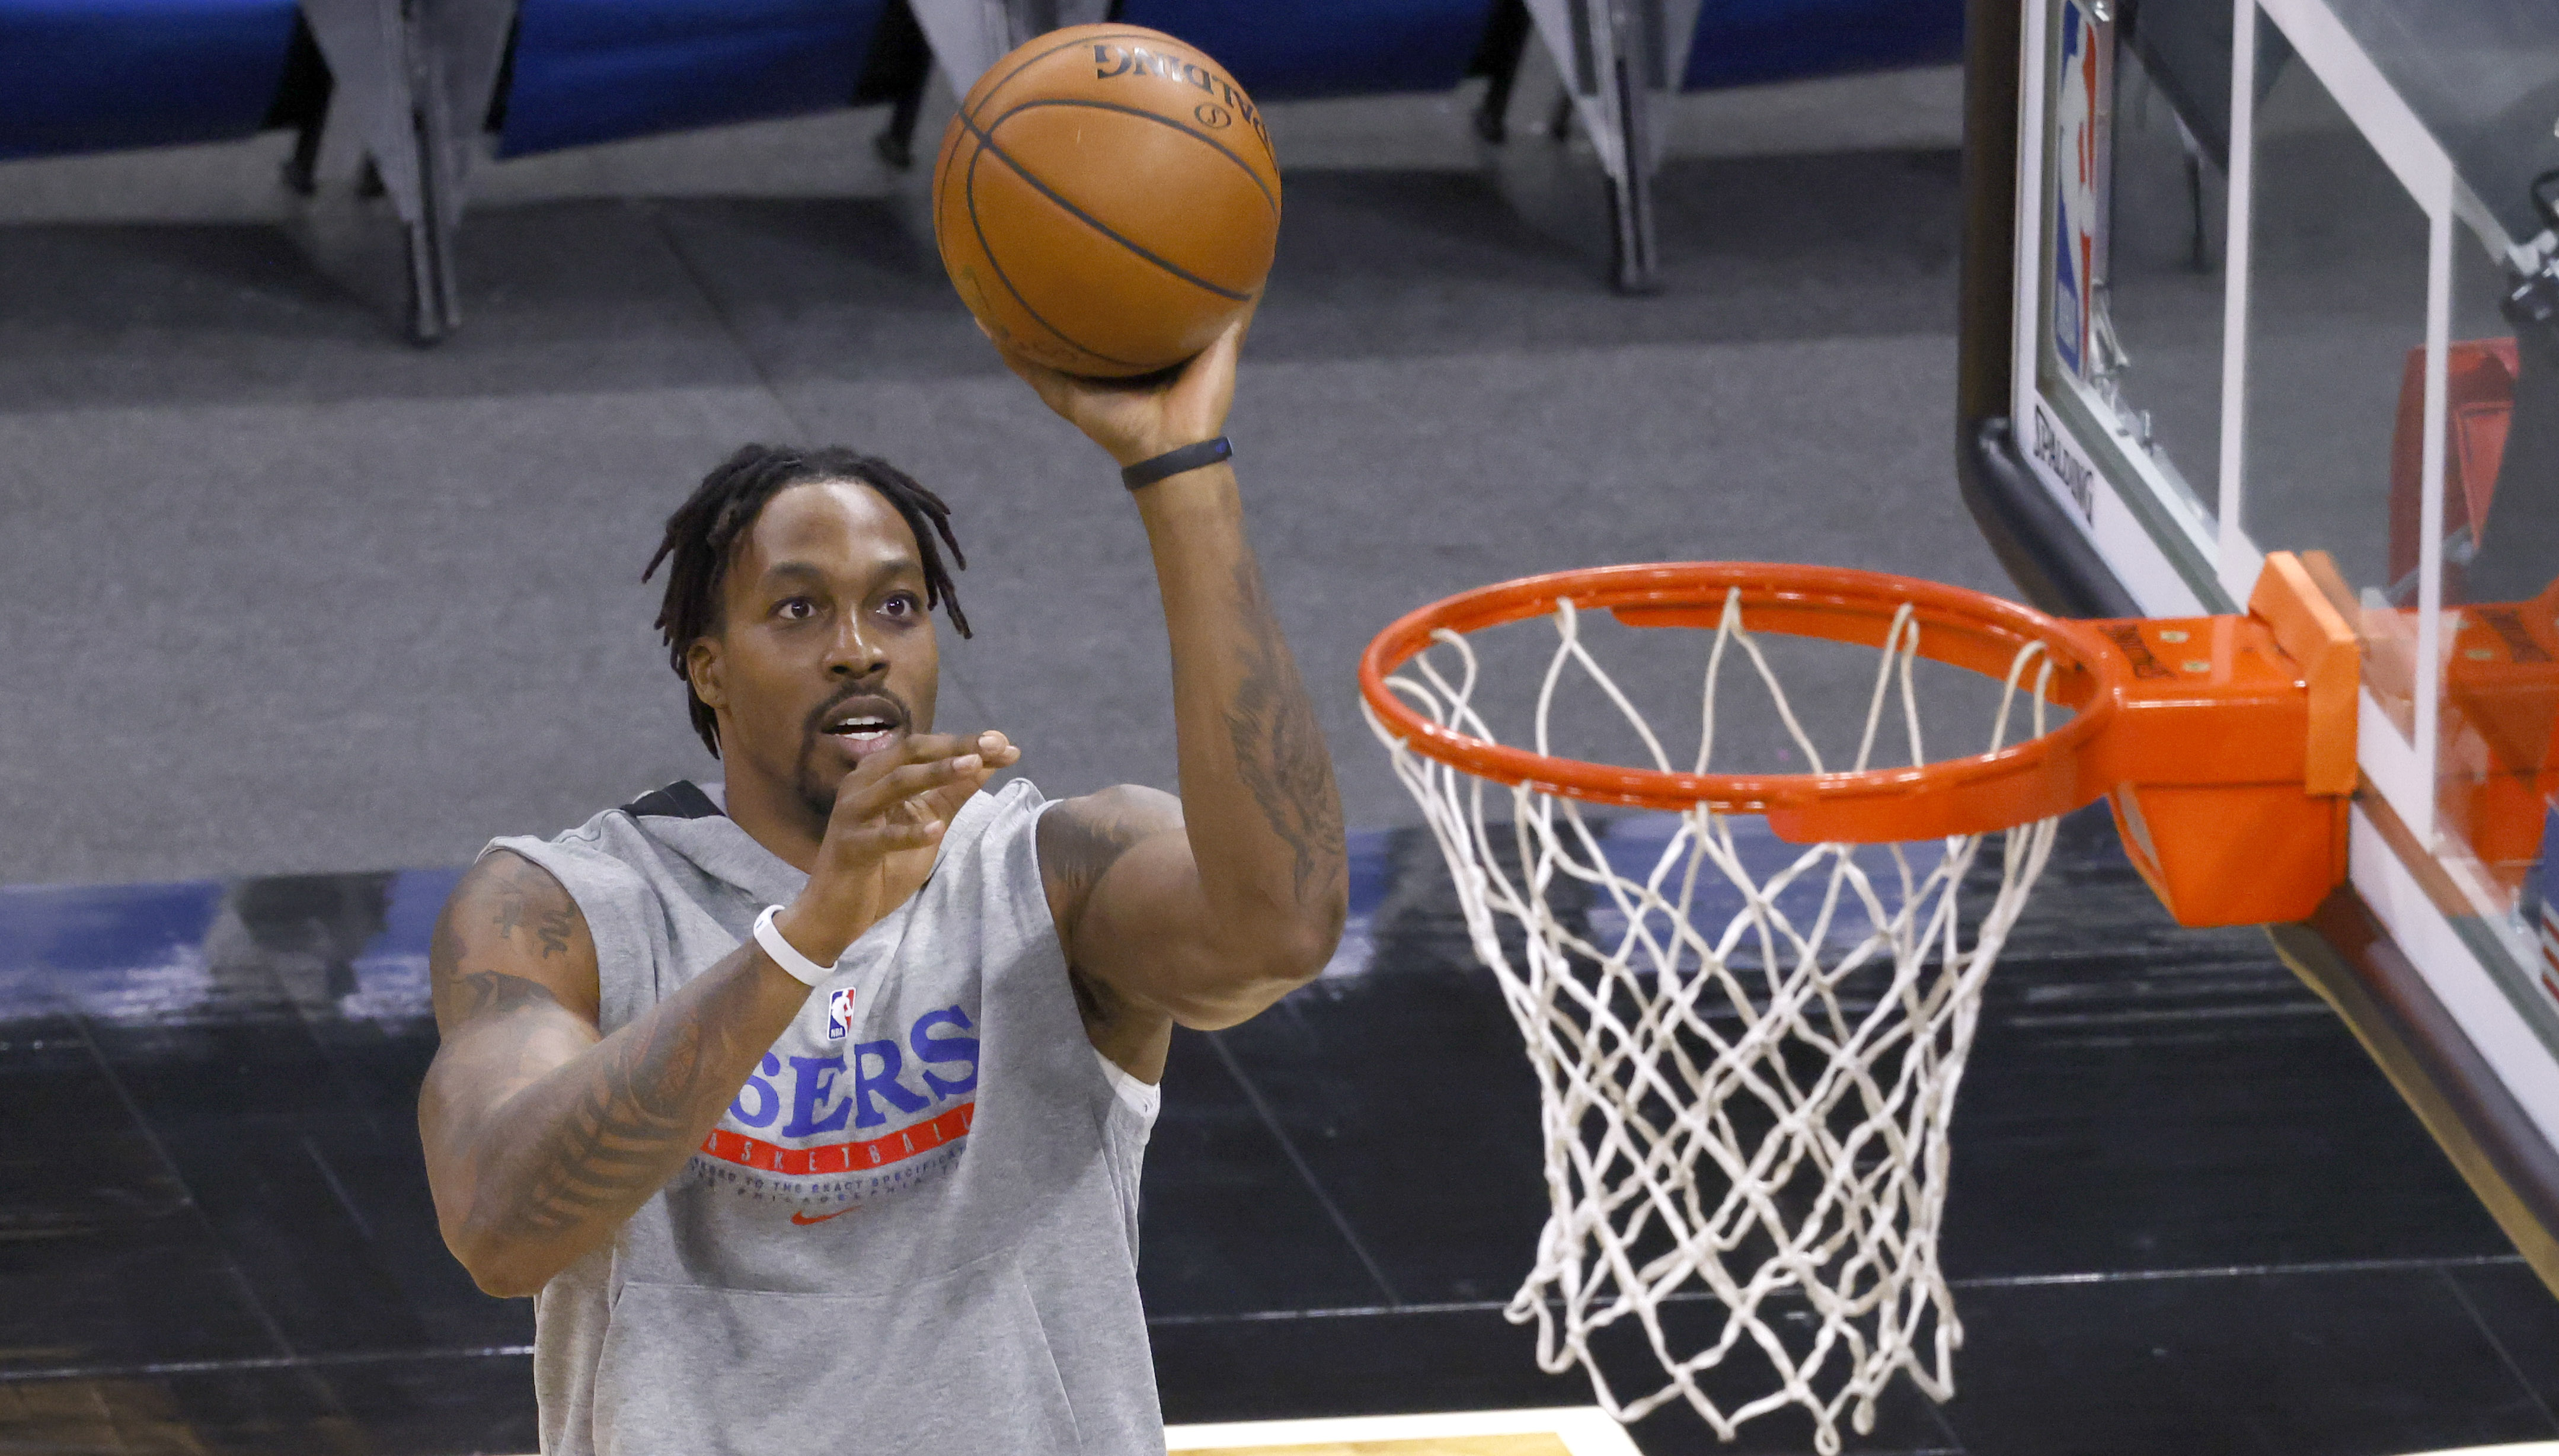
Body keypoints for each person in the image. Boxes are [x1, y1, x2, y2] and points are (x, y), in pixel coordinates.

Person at [417, 318, 1347, 1456]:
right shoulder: (566, 905)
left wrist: (1180, 470)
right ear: (708, 667)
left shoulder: (1046, 877)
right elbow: (499, 1229)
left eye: (897, 605)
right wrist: (808, 935)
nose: (860, 647)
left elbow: (1282, 929)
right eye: (799, 609)